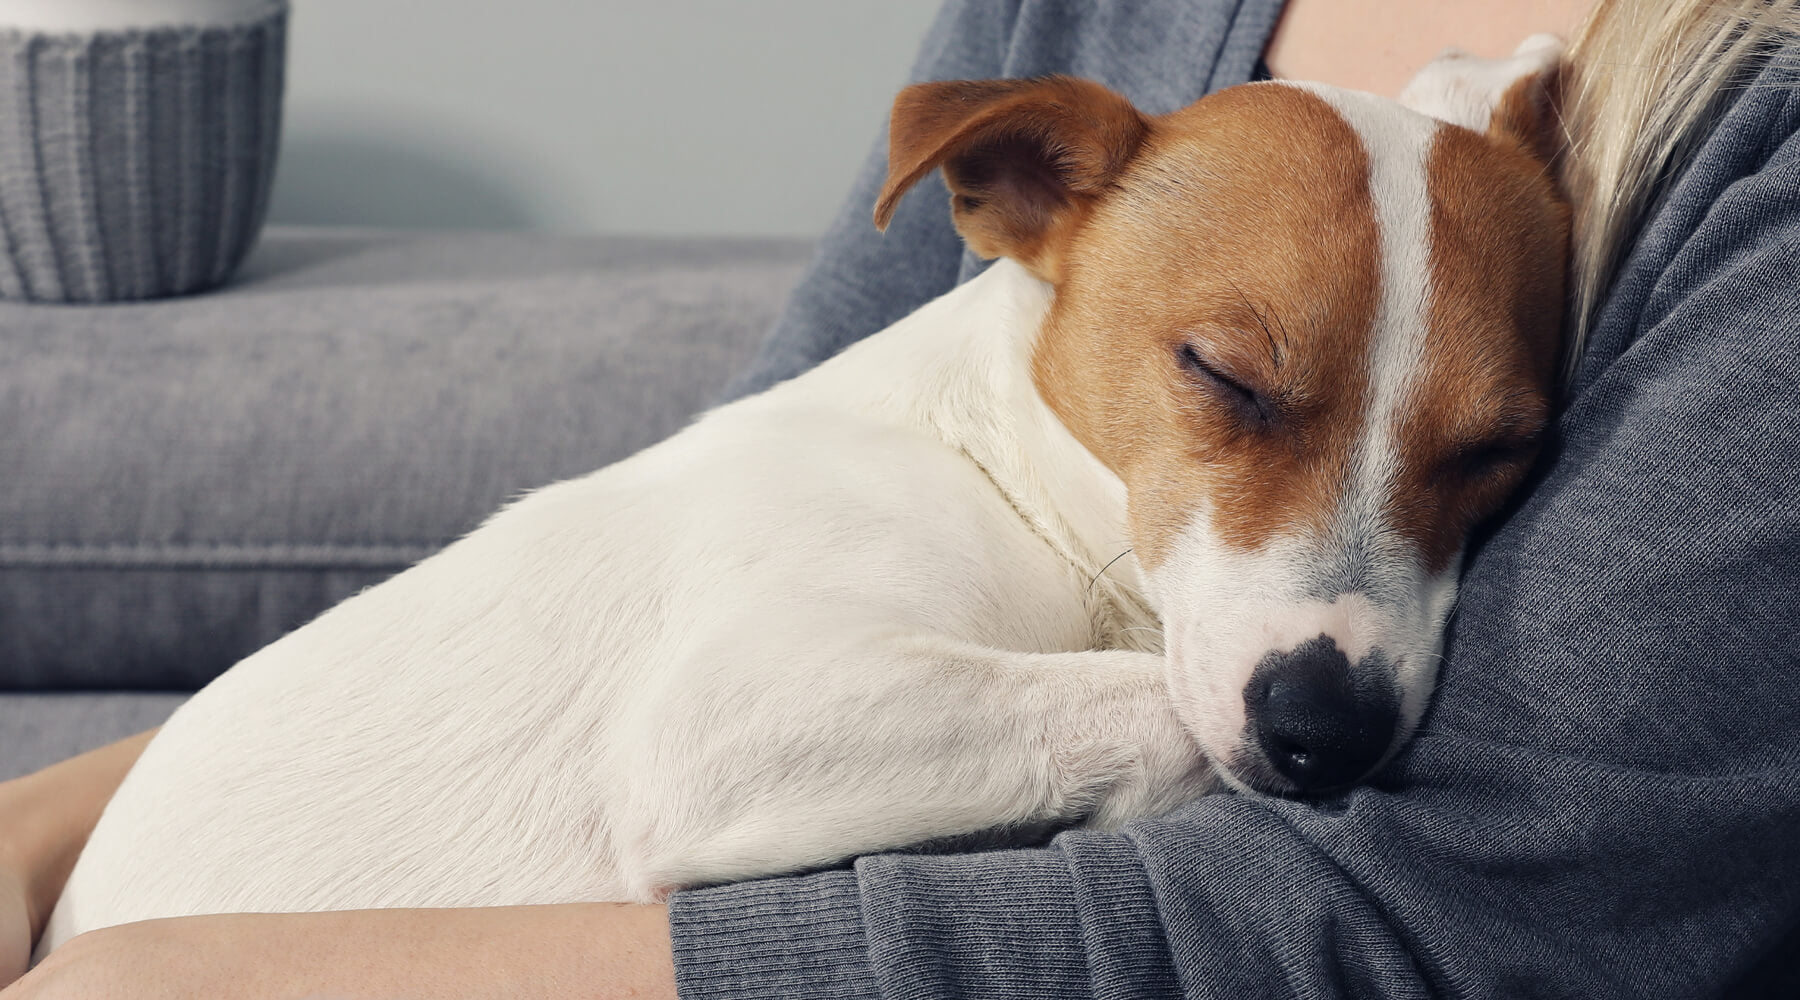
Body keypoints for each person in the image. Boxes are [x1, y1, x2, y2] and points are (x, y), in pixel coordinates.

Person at [4, 0, 1799, 995]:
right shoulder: (863, 470)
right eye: (1236, 396)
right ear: (1011, 199)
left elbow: (1472, 924)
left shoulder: (1719, 151)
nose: (1347, 606)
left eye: (1477, 460)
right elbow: (721, 773)